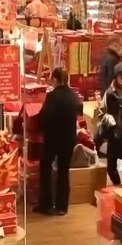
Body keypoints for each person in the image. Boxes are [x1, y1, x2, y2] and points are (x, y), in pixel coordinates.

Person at [35, 67, 82, 216]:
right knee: (63, 171)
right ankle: (62, 206)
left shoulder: (52, 96)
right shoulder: (74, 96)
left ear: (55, 80)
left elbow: (44, 117)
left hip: (53, 138)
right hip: (69, 138)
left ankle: (46, 204)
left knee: (46, 168)